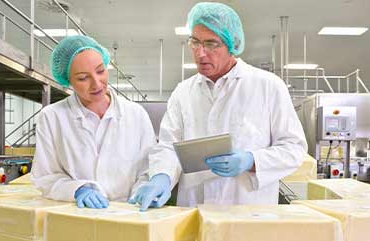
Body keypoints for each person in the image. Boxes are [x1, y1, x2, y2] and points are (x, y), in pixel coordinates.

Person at [129, 2, 307, 211]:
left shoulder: (267, 86)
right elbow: (168, 146)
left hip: (248, 213)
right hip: (194, 213)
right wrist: (161, 176)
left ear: (232, 45)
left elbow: (294, 149)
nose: (201, 53)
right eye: (195, 42)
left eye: (211, 44)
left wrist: (251, 160)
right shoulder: (183, 92)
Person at [32, 35, 155, 209]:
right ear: (68, 81)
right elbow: (45, 176)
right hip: (80, 217)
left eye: (100, 71)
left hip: (130, 214)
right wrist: (78, 189)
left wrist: (139, 195)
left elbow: (148, 169)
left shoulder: (136, 114)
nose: (96, 84)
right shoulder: (52, 117)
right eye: (83, 78)